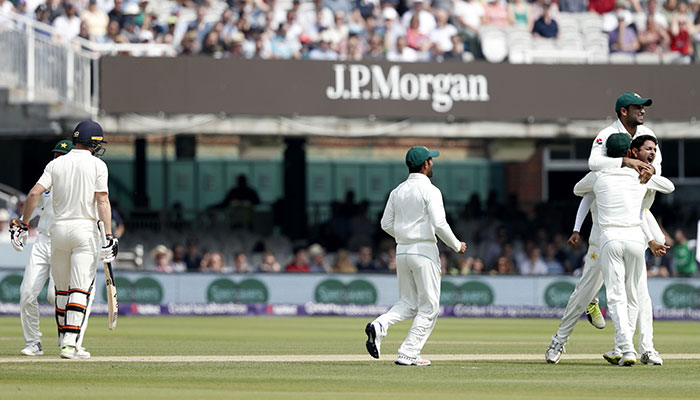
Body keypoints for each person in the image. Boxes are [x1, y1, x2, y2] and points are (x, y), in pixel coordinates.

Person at [546, 134, 672, 366]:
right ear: (632, 152)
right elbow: (668, 188)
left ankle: (627, 348)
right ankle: (619, 347)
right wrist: (647, 173)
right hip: (631, 239)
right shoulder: (637, 174)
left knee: (618, 297)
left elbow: (577, 190)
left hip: (611, 239)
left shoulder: (599, 175)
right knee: (627, 296)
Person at [15, 121, 117, 359]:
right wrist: (109, 236)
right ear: (92, 142)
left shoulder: (56, 164)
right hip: (84, 229)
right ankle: (69, 344)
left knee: (60, 292)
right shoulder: (98, 165)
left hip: (58, 230)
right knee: (80, 289)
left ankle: (65, 339)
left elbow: (32, 194)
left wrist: (23, 223)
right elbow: (102, 201)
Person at [365, 146, 467, 367]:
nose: (433, 163)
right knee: (429, 307)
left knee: (408, 303)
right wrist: (457, 245)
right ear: (425, 164)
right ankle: (408, 352)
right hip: (424, 252)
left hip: (402, 251)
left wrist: (404, 235)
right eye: (431, 160)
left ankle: (379, 325)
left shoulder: (397, 191)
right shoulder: (431, 190)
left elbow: (385, 224)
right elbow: (439, 224)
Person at [9, 140, 73, 356]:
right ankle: (33, 342)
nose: (57, 160)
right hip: (43, 241)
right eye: (56, 155)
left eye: (62, 156)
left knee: (55, 296)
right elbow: (35, 208)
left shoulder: (77, 185)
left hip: (63, 244)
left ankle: (66, 336)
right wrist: (20, 223)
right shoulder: (47, 183)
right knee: (26, 293)